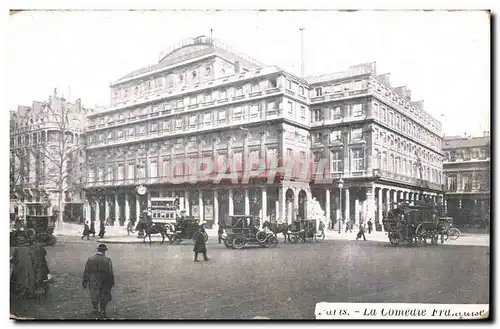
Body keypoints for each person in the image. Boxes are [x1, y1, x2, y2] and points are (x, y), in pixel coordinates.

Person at [82, 244, 115, 318]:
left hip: (93, 280)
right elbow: (110, 272)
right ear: (104, 251)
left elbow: (86, 271)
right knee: (104, 295)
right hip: (104, 280)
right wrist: (111, 283)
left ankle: (95, 309)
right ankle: (102, 310)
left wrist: (85, 281)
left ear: (98, 250)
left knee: (94, 295)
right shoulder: (107, 260)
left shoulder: (90, 259)